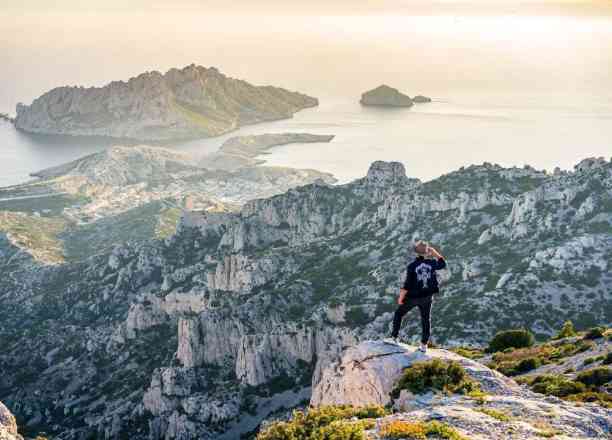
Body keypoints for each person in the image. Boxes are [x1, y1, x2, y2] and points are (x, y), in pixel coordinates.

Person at [385, 240, 446, 352]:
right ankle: (424, 345)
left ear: (416, 253)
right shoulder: (432, 263)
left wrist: (401, 298)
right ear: (427, 252)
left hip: (412, 298)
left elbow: (407, 285)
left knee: (399, 313)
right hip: (427, 297)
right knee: (426, 319)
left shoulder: (412, 266)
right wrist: (435, 253)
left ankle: (394, 337)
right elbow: (443, 264)